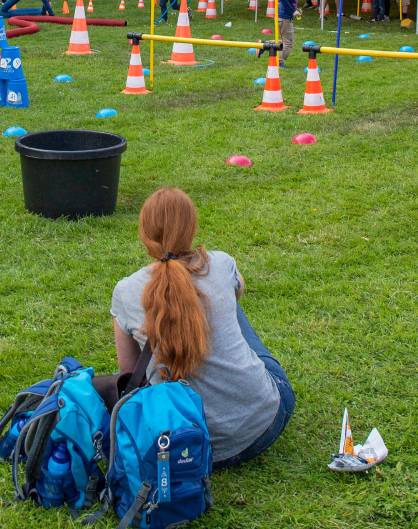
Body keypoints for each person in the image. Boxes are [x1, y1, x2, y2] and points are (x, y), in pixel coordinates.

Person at [111, 188, 294, 470]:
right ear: (191, 228)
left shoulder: (125, 292)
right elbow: (237, 293)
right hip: (263, 423)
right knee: (228, 301)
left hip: (183, 447)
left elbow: (130, 376)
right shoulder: (220, 263)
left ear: (144, 234)